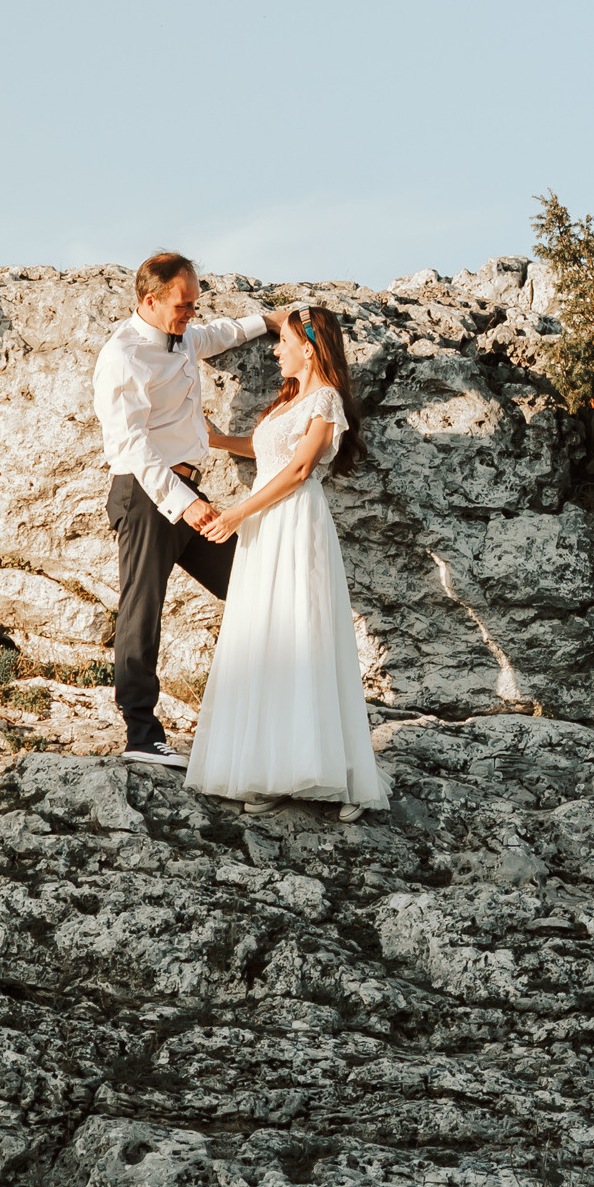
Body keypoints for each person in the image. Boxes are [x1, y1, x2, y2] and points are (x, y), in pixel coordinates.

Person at [185, 302, 384, 811]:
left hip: (295, 521)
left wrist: (234, 514)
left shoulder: (326, 401)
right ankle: (273, 767)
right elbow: (265, 451)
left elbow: (297, 471)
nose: (276, 350)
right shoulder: (291, 400)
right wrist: (212, 438)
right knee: (268, 634)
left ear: (310, 348)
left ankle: (337, 773)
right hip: (267, 526)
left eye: (284, 342)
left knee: (303, 632)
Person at [93, 252, 268, 766]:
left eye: (194, 303)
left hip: (187, 494)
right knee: (141, 610)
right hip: (148, 495)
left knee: (252, 585)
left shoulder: (186, 334)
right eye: (183, 304)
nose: (192, 312)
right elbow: (129, 445)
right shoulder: (123, 356)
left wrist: (271, 321)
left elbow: (218, 335)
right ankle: (141, 734)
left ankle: (258, 713)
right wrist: (185, 504)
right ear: (150, 300)